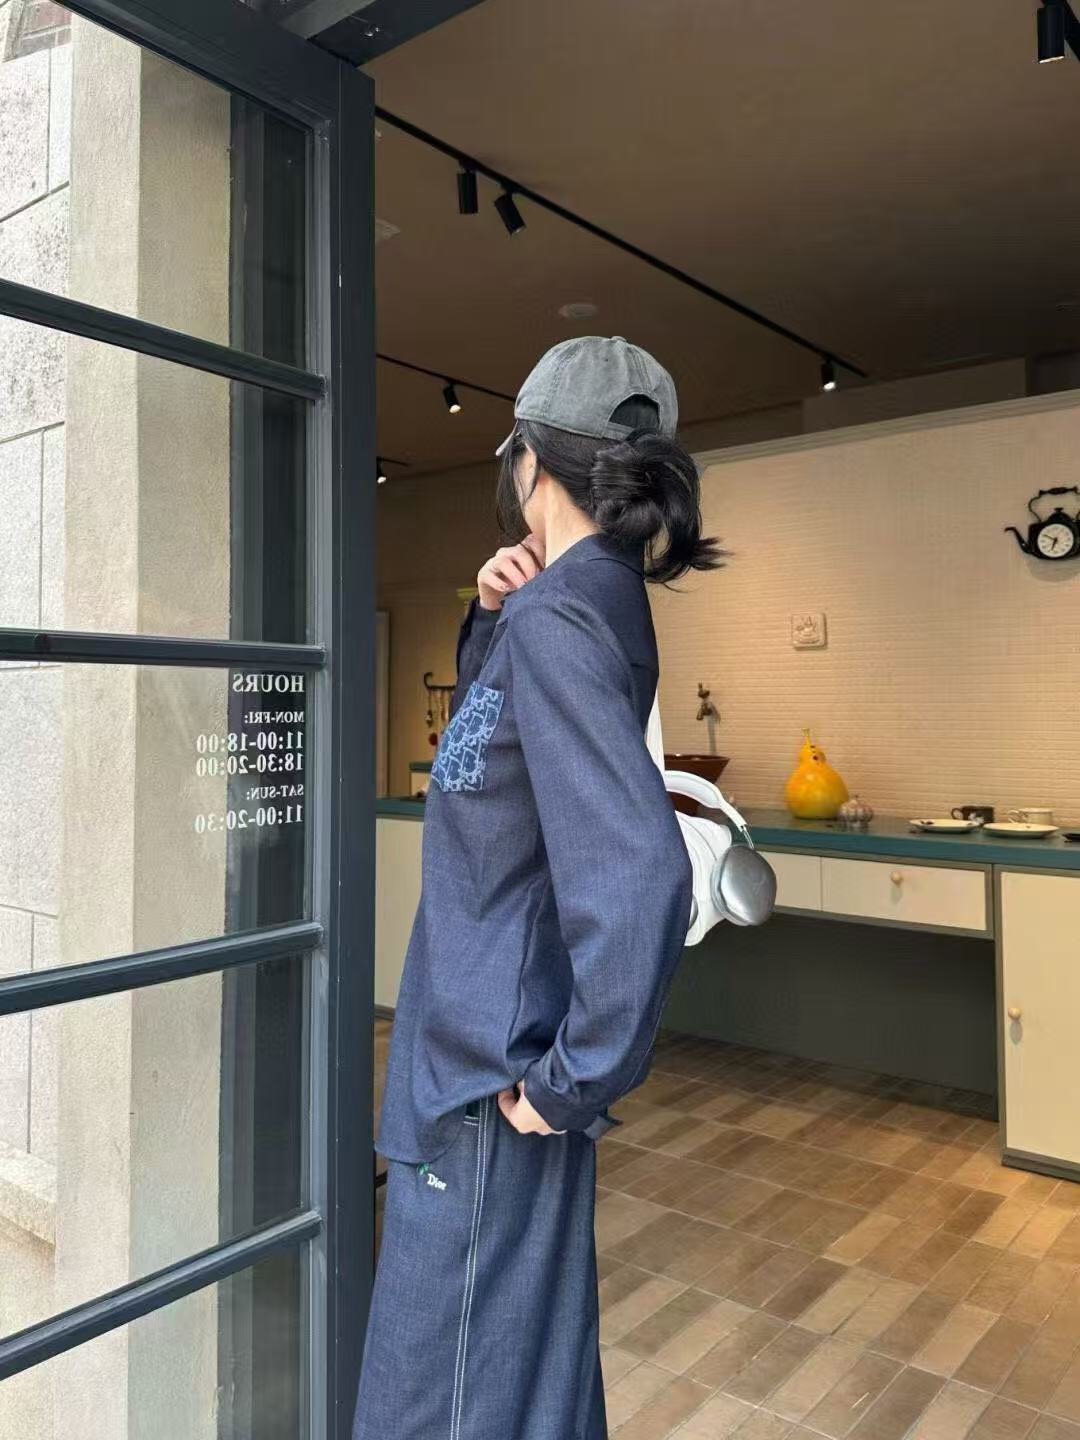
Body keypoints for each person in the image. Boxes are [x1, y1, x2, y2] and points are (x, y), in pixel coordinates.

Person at [353, 336, 725, 1440]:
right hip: (495, 1067)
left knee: (435, 1401)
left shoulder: (563, 616)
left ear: (528, 459)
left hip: (487, 1083)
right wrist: (487, 619)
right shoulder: (574, 602)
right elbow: (502, 777)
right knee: (526, 1386)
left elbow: (638, 874)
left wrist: (567, 1082)